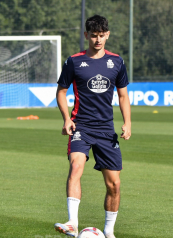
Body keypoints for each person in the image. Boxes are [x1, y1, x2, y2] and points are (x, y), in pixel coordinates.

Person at [54, 15, 131, 238]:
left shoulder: (117, 62)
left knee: (114, 184)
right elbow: (61, 91)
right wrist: (67, 119)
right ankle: (72, 223)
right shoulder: (74, 61)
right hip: (81, 127)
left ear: (107, 35)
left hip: (107, 130)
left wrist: (127, 123)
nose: (98, 40)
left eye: (102, 36)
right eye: (94, 36)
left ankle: (108, 232)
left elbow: (123, 95)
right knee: (76, 165)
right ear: (87, 35)